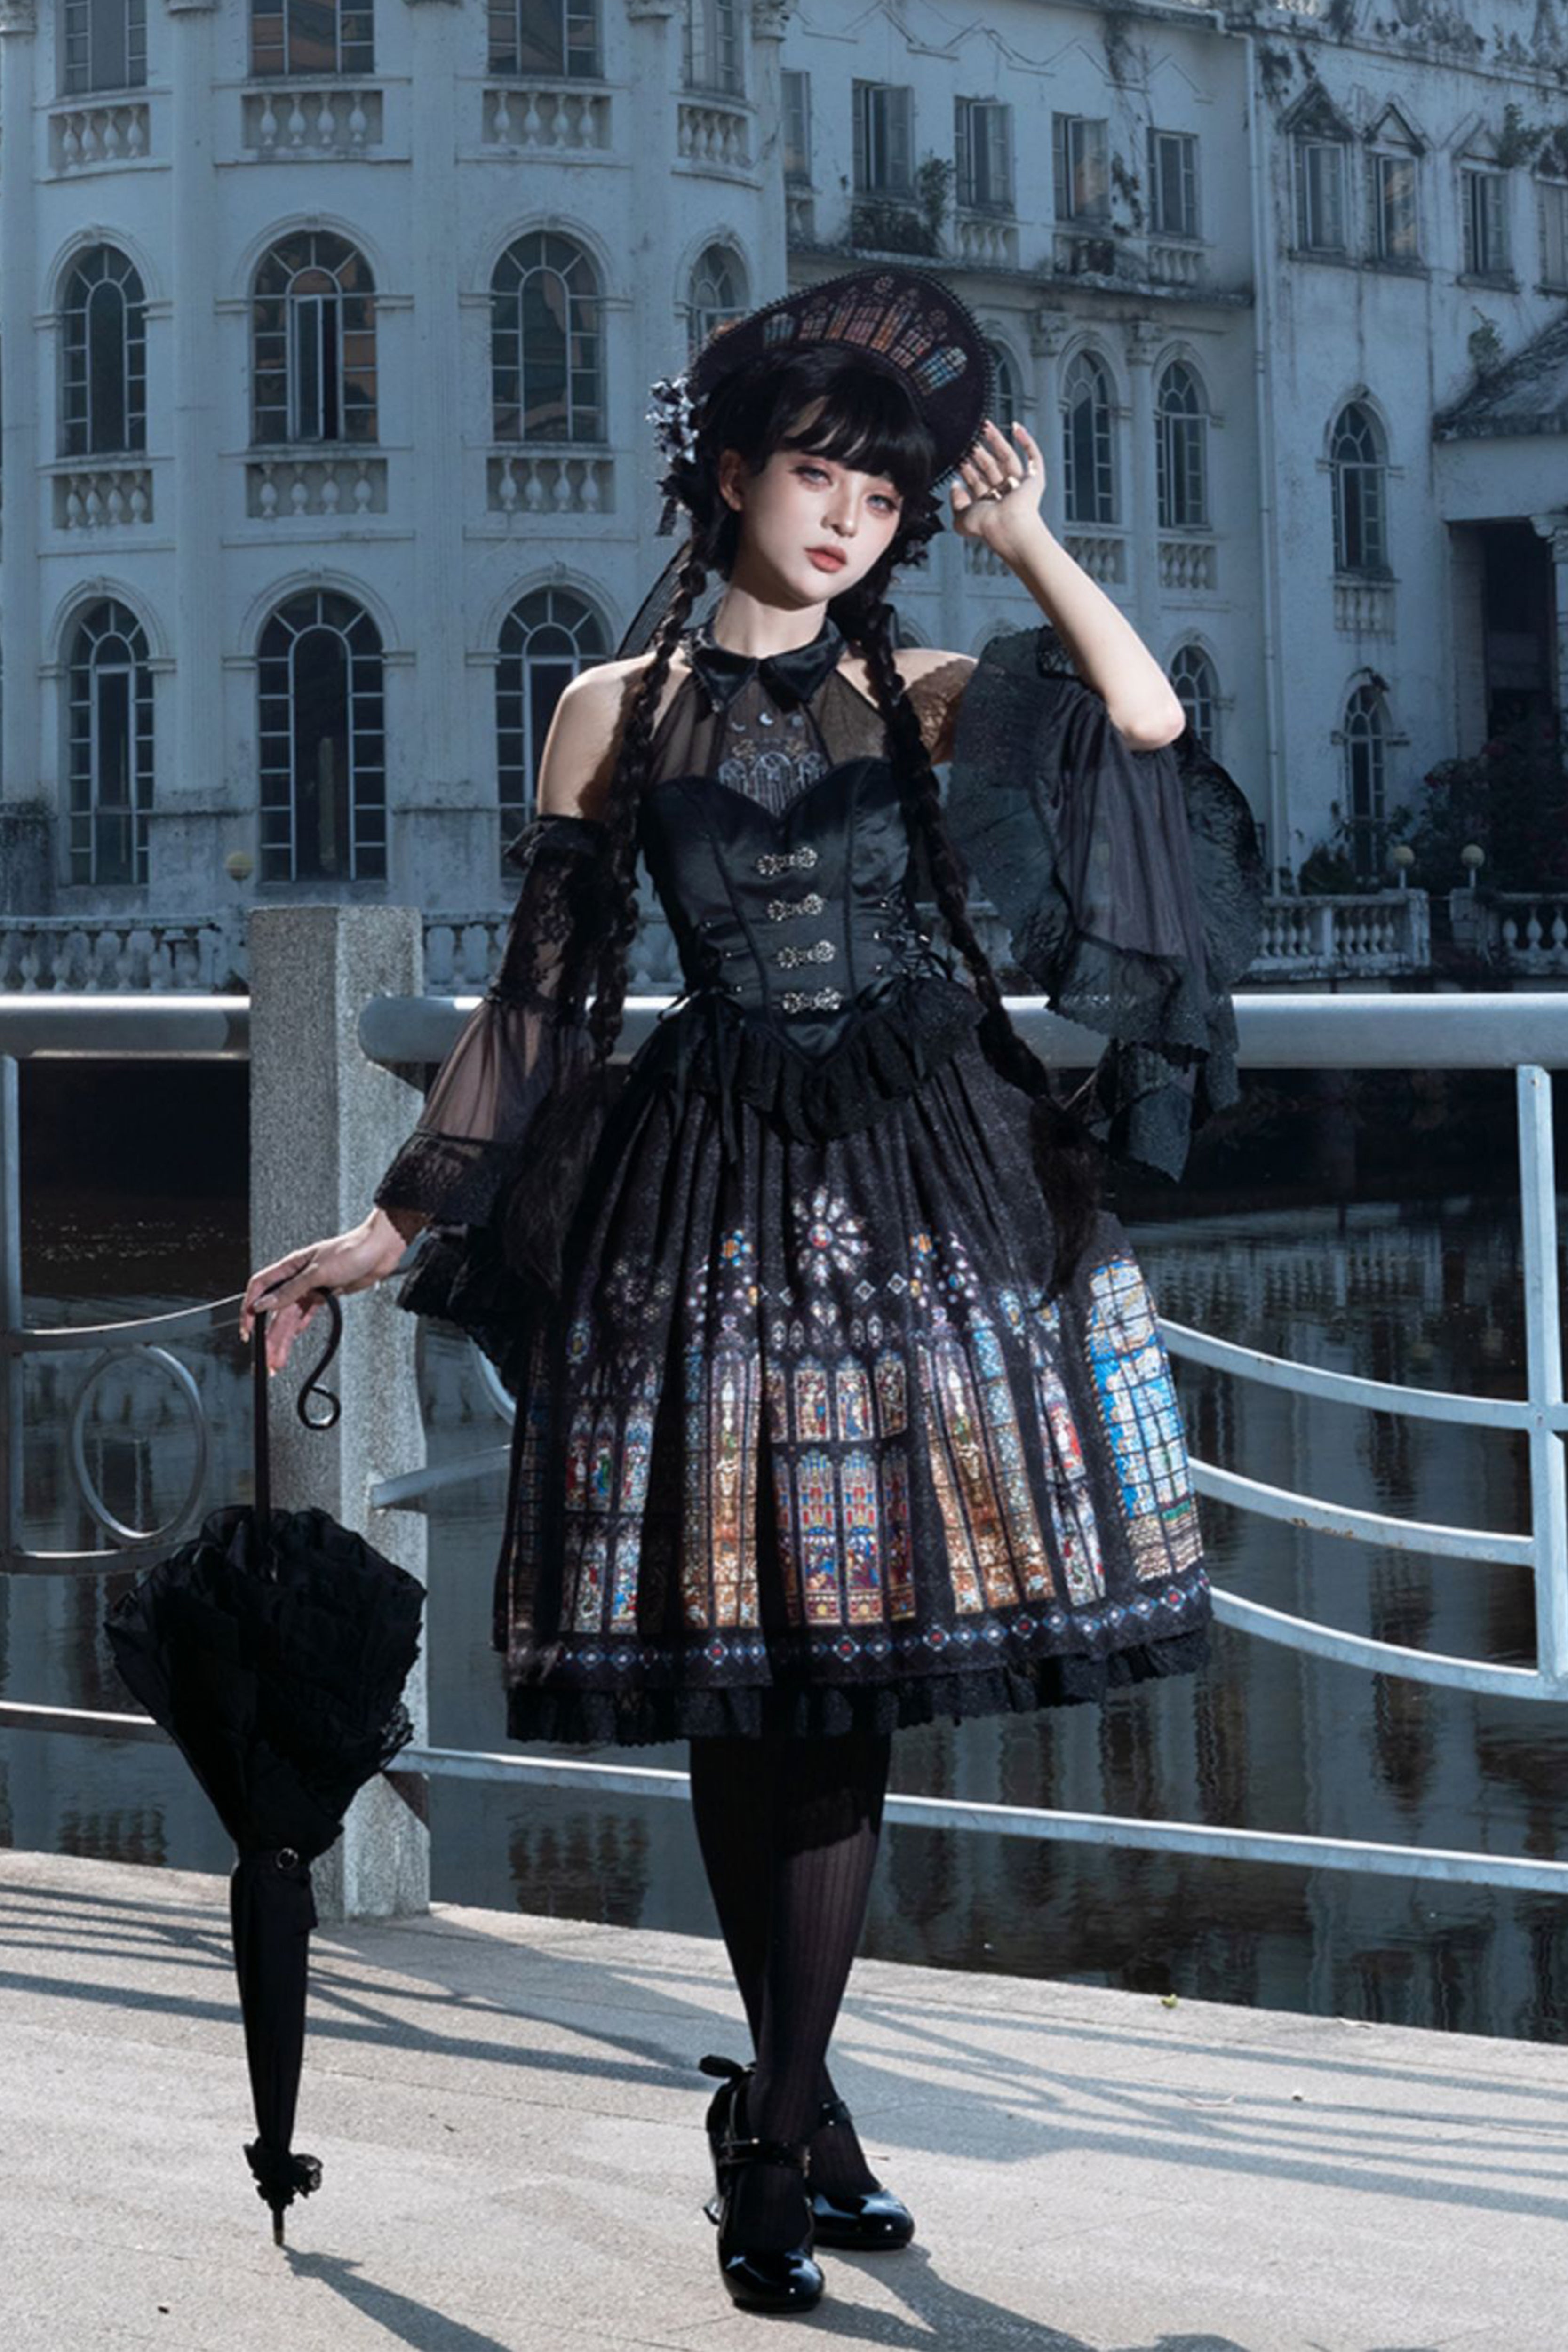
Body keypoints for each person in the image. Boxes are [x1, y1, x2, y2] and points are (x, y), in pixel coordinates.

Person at [240, 266, 1262, 2316]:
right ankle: (800, 2119)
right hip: (707, 1205)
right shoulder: (609, 713)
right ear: (726, 473)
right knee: (754, 1673)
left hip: (922, 1202)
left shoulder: (935, 686)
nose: (848, 523)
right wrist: (387, 1225)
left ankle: (774, 2132)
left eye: (882, 499)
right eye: (818, 481)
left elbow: (1150, 723)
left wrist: (1027, 541)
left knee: (851, 1682)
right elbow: (539, 1007)